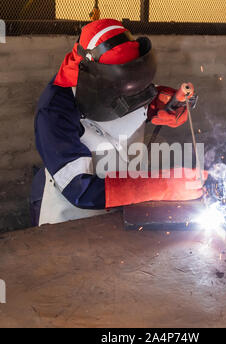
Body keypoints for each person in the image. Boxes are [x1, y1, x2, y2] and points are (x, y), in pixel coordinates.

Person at [30, 19, 207, 227]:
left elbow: (142, 99)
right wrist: (162, 186)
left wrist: (166, 104)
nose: (130, 91)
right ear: (96, 74)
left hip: (127, 212)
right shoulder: (54, 110)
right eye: (122, 83)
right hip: (72, 220)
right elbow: (79, 189)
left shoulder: (120, 82)